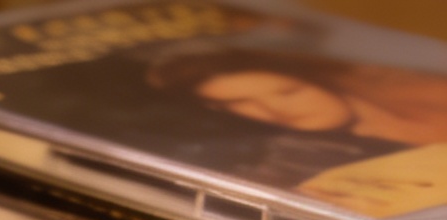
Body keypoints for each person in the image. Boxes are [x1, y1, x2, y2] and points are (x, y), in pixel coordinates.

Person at [146, 48, 447, 146]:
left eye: (288, 93)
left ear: (320, 81)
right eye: (241, 105)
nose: (274, 110)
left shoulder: (432, 90)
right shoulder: (307, 168)